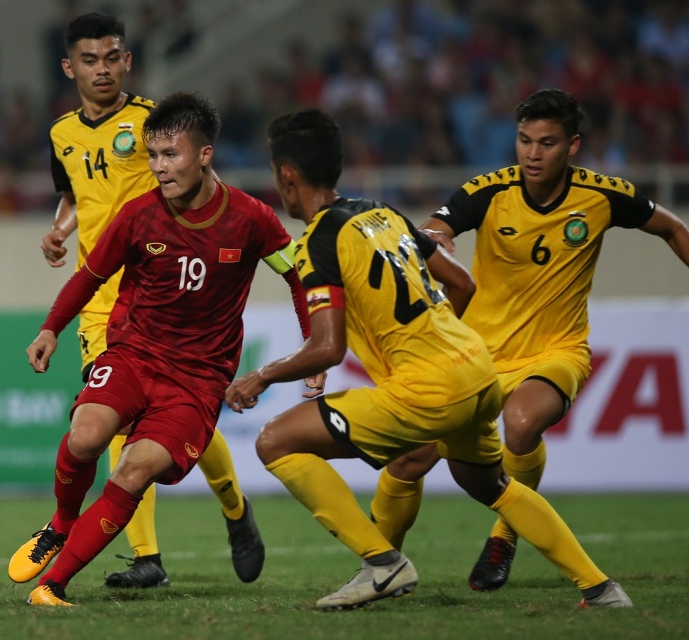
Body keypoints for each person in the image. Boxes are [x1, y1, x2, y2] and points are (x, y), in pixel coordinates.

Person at [224, 108, 632, 611]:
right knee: (492, 485)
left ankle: (382, 563)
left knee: (275, 441)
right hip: (478, 368)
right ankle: (601, 589)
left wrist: (259, 378)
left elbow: (327, 347)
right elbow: (462, 283)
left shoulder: (318, 242)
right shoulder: (384, 214)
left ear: (286, 176)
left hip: (431, 386)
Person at [369, 88, 689, 592]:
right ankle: (380, 568)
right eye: (524, 141)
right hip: (478, 354)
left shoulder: (603, 195)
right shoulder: (489, 191)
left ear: (573, 145)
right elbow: (433, 227)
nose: (533, 154)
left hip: (556, 350)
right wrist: (439, 240)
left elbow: (672, 228)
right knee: (408, 459)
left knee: (520, 426)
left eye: (547, 142)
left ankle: (504, 535)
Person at [10, 91, 311, 607]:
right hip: (133, 354)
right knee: (85, 437)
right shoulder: (138, 216)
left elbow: (299, 279)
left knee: (133, 469)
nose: (158, 167)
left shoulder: (252, 218)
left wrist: (315, 346)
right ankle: (61, 523)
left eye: (170, 155)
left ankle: (52, 586)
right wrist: (49, 329)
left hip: (196, 380)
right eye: (152, 156)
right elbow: (89, 276)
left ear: (204, 154)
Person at [23, 12, 267, 590]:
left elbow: (196, 191)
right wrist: (60, 228)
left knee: (172, 420)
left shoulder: (155, 124)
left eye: (112, 57)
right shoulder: (62, 134)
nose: (102, 69)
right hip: (99, 298)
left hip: (162, 294)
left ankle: (233, 506)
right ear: (70, 67)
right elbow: (75, 193)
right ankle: (146, 557)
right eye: (90, 59)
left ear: (127, 61)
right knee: (110, 426)